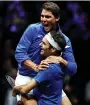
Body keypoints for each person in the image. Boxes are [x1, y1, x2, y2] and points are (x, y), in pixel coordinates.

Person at [14, 1, 77, 105]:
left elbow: (73, 69)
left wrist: (62, 60)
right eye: (42, 16)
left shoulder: (64, 40)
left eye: (47, 17)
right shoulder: (32, 29)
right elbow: (19, 53)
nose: (43, 20)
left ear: (57, 18)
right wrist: (35, 67)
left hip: (49, 79)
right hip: (27, 76)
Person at [13, 30, 67, 105]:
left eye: (44, 43)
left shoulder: (46, 68)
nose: (40, 44)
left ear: (53, 49)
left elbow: (24, 90)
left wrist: (15, 89)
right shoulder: (60, 65)